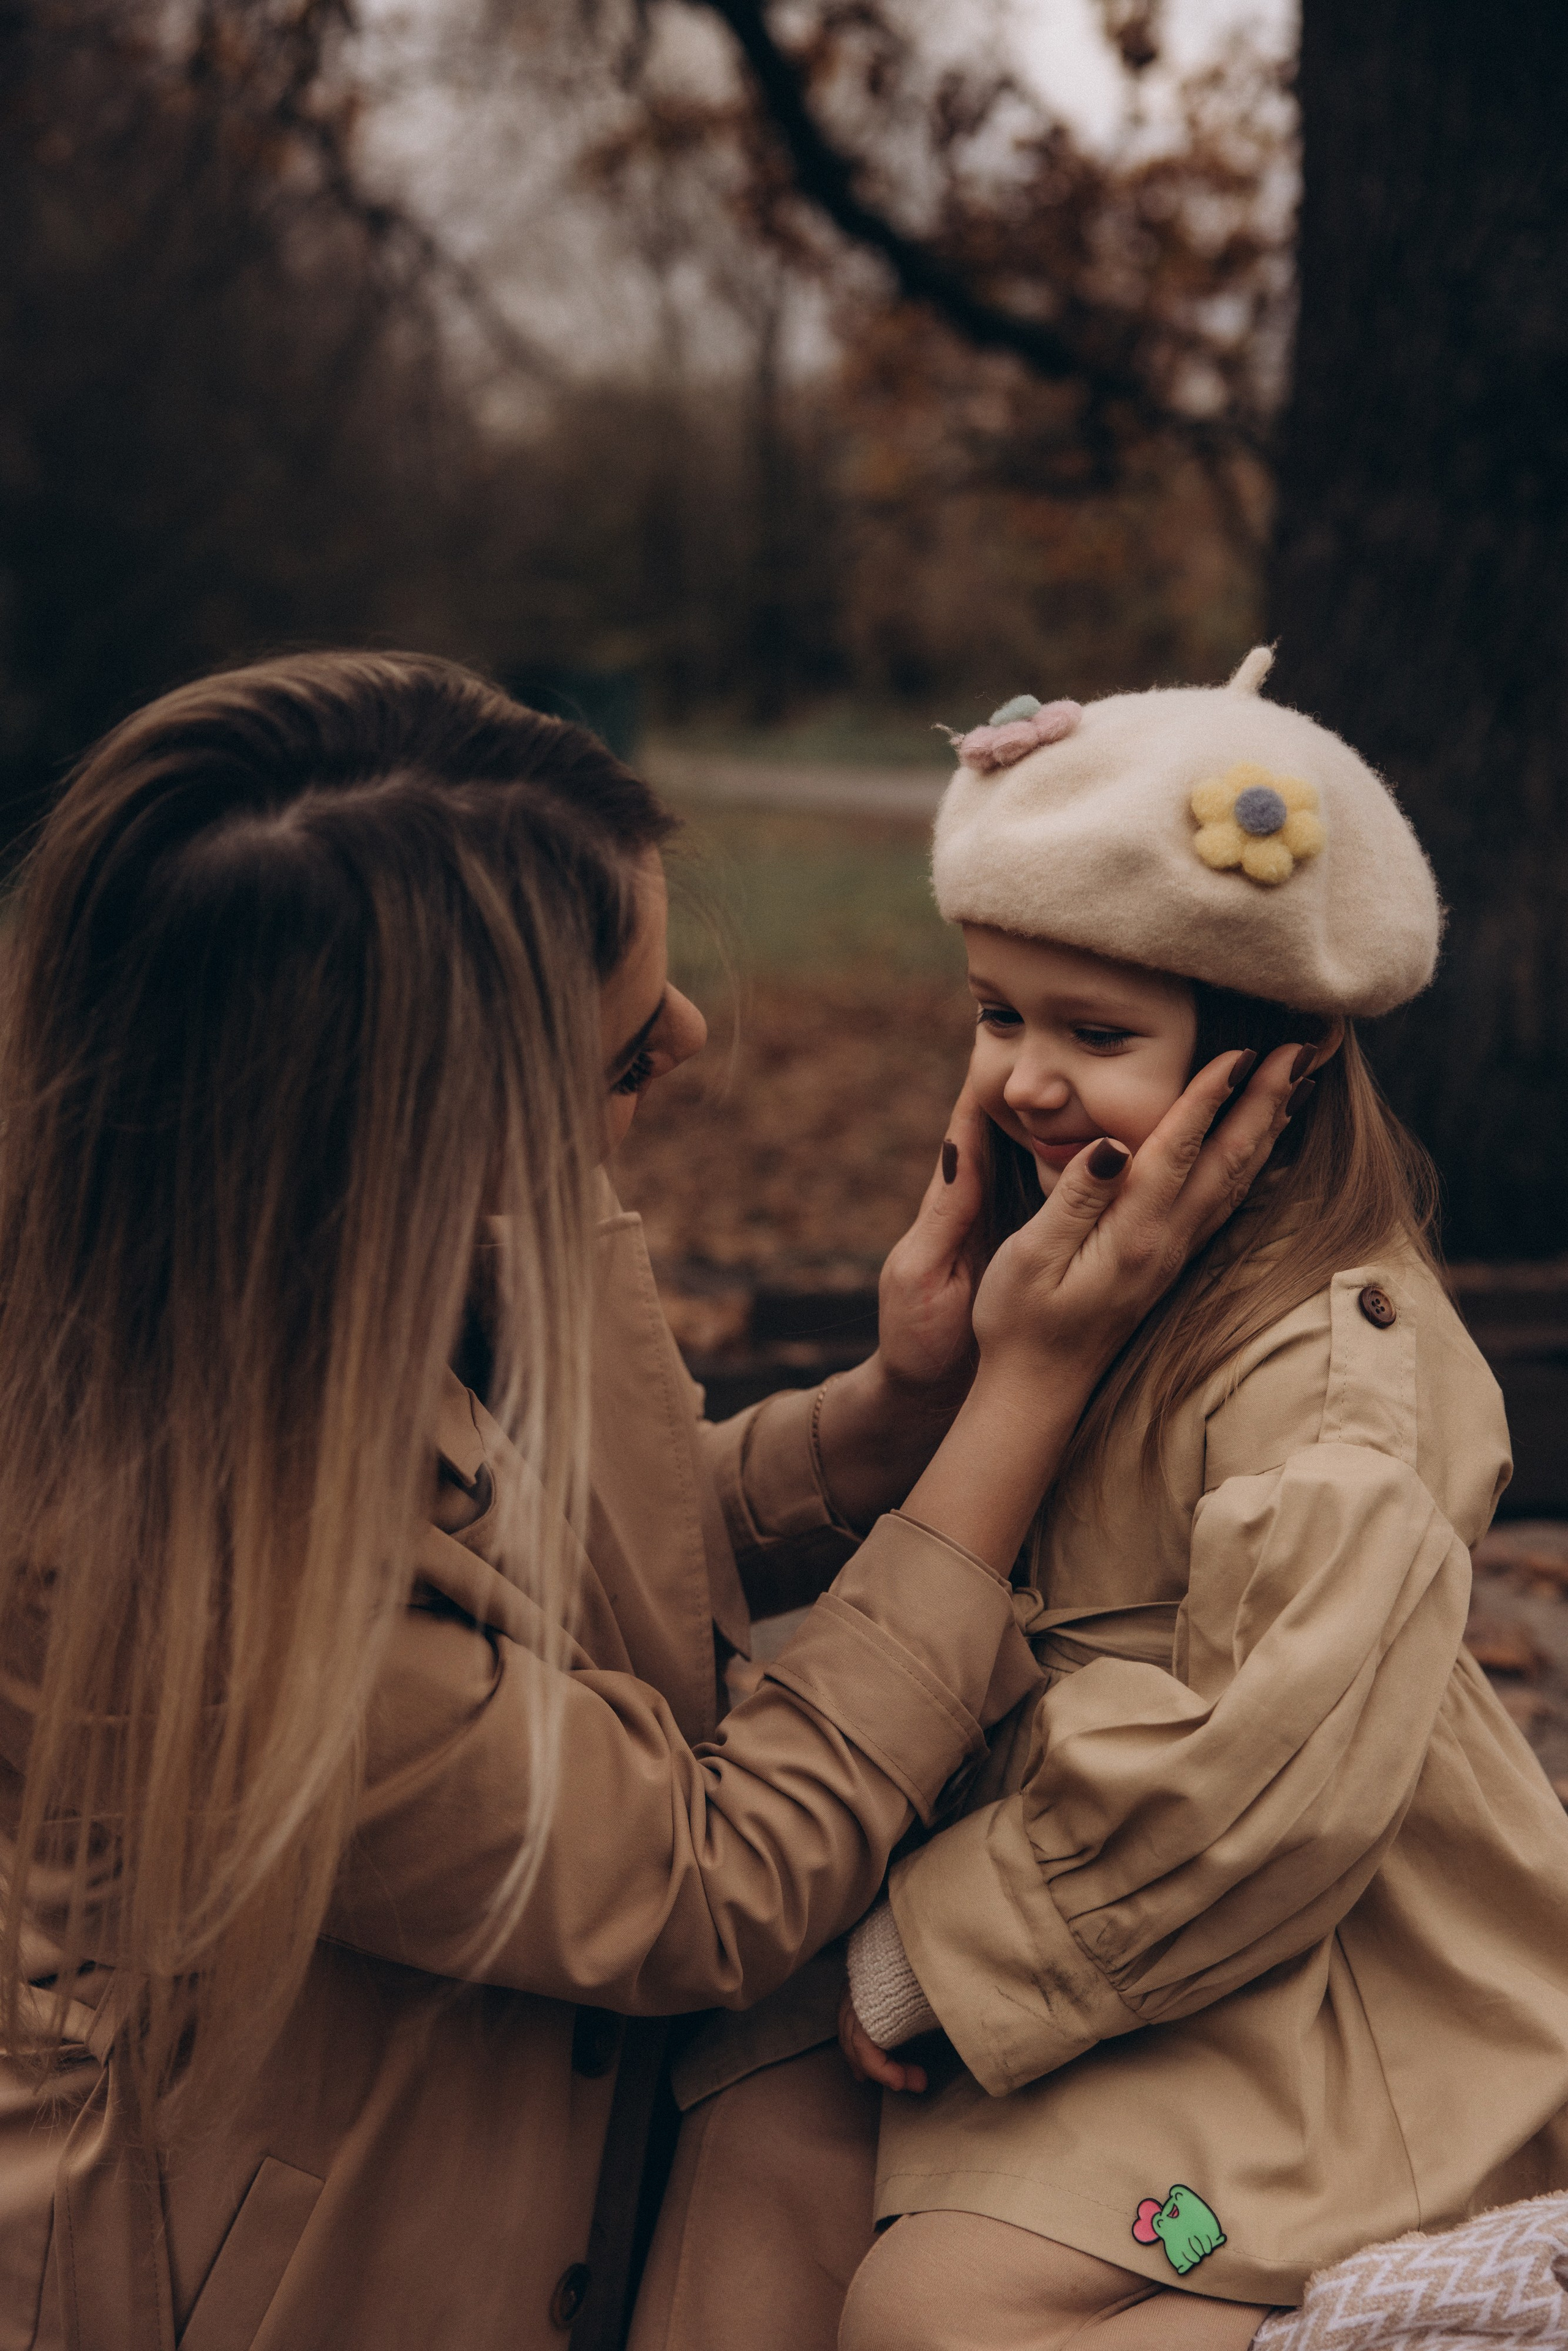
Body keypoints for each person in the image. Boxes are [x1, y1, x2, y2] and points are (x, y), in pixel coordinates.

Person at [0, 652, 1296, 2351]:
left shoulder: (368, 1274)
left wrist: (900, 1408)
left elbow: (554, 1559)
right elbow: (710, 1878)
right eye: (620, 1052)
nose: (686, 1038)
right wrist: (1027, 1400)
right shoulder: (153, 1559)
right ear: (412, 1137)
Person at [630, 649, 1568, 2351]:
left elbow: (1266, 1768)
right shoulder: (1069, 1289)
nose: (1025, 1082)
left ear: (1271, 1075)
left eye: (1096, 1032)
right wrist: (948, 1377)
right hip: (1089, 1940)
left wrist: (936, 1951)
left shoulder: (1336, 1370)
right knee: (747, 2142)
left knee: (940, 2309)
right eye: (998, 1014)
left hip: (1306, 1987)